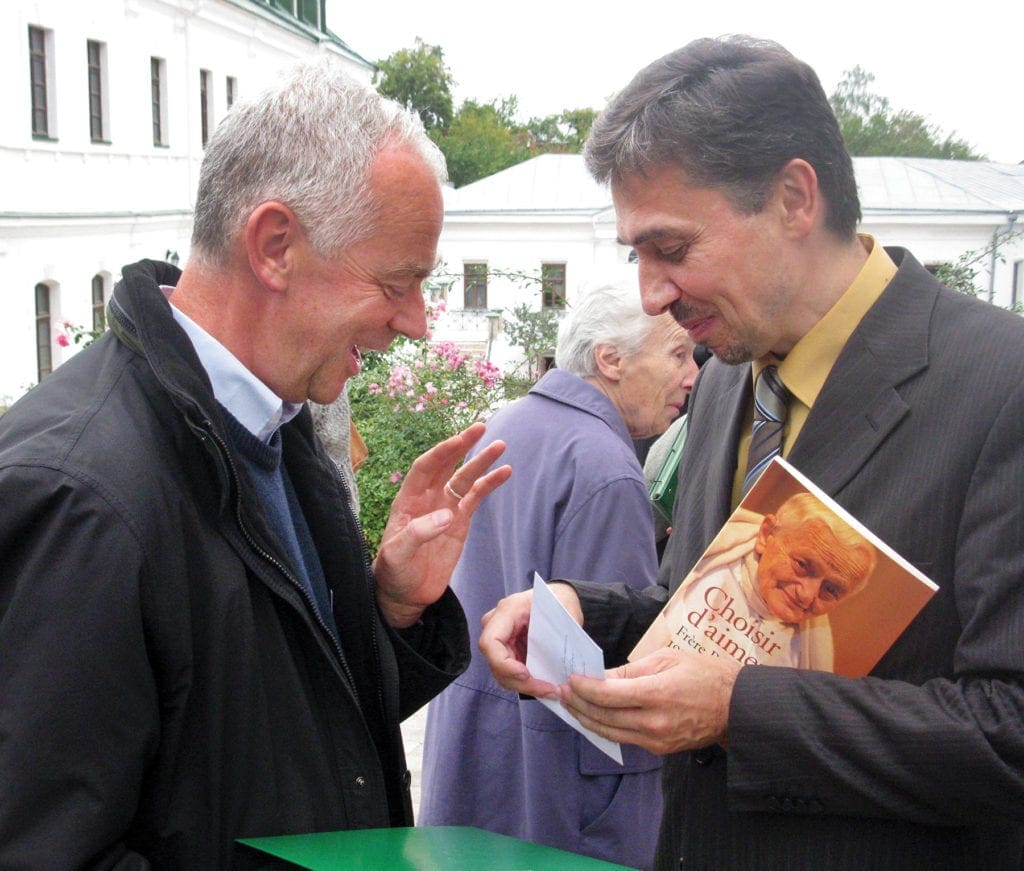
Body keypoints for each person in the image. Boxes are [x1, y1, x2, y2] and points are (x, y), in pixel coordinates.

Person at [480, 35, 1024, 870]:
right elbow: (707, 613)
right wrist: (588, 611)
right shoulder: (731, 377)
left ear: (794, 199)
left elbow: (1009, 729)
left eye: (672, 248)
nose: (651, 294)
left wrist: (740, 711)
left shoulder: (999, 384)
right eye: (638, 255)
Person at [0, 60, 511, 869]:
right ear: (275, 246)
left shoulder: (271, 424)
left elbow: (262, 746)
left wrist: (392, 609)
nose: (414, 324)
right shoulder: (80, 494)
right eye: (396, 282)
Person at [420, 274, 697, 869]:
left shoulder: (509, 422)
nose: (693, 374)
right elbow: (617, 663)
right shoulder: (605, 465)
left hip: (474, 746)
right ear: (611, 359)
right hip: (560, 785)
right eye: (678, 353)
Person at [657, 495, 876, 670]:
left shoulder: (811, 654)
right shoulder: (707, 567)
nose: (807, 595)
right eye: (802, 564)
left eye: (830, 590)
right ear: (766, 534)